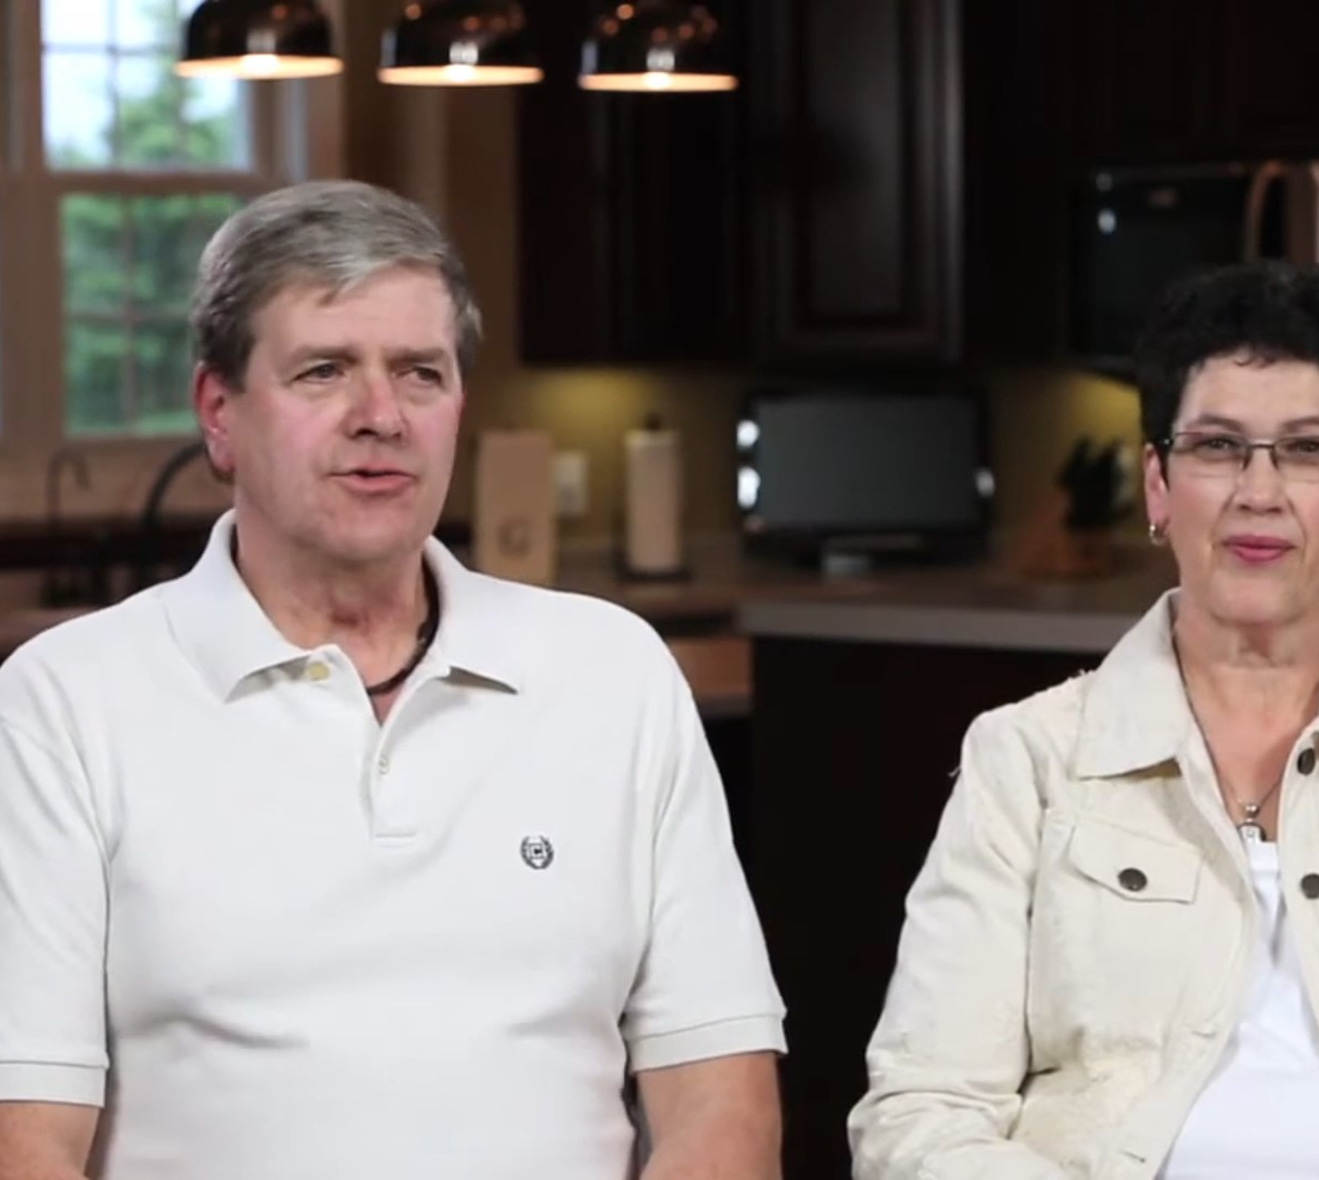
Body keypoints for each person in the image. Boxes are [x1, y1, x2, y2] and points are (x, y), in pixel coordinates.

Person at [0, 180, 784, 1180]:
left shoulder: (614, 671)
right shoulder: (64, 703)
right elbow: (25, 1140)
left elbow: (722, 1101)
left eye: (420, 372)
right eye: (324, 371)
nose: (381, 416)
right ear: (219, 412)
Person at [849, 261, 1319, 1179]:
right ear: (1159, 485)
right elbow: (922, 1113)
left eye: (1309, 449)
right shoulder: (1027, 762)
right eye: (1216, 446)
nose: (1259, 490)